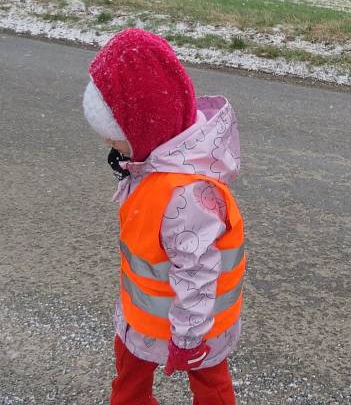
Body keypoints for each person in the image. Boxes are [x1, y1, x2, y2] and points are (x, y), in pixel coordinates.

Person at [82, 28, 246, 404]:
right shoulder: (153, 161)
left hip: (195, 326)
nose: (114, 151)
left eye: (116, 140)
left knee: (210, 386)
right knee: (128, 382)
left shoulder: (187, 196)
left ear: (144, 128)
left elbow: (198, 272)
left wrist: (188, 340)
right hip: (141, 318)